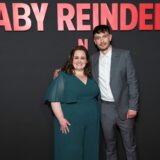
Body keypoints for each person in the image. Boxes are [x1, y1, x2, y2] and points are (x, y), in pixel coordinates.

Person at [91, 25, 139, 160]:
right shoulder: (92, 59)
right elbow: (80, 74)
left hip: (124, 108)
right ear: (94, 41)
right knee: (109, 147)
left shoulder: (124, 55)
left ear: (110, 37)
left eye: (104, 36)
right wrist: (61, 74)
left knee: (130, 146)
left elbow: (132, 82)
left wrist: (133, 106)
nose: (102, 40)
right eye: (98, 38)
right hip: (105, 109)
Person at [45, 45, 100, 160]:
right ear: (71, 60)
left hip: (92, 123)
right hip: (70, 123)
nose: (79, 61)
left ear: (87, 61)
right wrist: (61, 119)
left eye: (82, 58)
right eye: (76, 58)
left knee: (90, 150)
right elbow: (54, 100)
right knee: (70, 151)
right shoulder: (63, 76)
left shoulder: (91, 77)